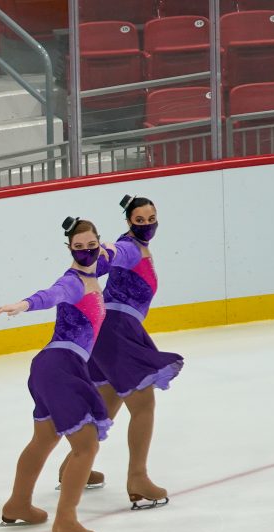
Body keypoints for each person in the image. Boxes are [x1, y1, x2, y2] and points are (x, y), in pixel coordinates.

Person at [0, 217, 113, 532]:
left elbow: (117, 254)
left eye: (92, 246)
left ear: (99, 244)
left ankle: (18, 504)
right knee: (86, 445)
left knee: (44, 438)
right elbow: (51, 294)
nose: (87, 252)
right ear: (69, 249)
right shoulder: (73, 281)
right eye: (79, 248)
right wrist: (24, 304)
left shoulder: (95, 273)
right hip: (61, 366)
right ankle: (66, 521)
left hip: (49, 366)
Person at [83, 195, 182, 510]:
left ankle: (75, 466)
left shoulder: (140, 249)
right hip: (117, 331)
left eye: (151, 218)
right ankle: (138, 478)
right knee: (143, 404)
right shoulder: (127, 248)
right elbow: (107, 256)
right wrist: (97, 251)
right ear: (129, 222)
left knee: (107, 403)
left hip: (107, 330)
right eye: (140, 220)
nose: (147, 225)